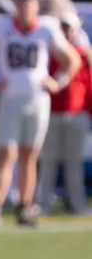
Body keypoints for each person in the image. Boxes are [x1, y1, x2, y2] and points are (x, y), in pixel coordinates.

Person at [0, 0, 80, 227]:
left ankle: (25, 206)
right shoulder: (2, 27)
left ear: (36, 6)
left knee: (30, 155)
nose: (24, 7)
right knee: (6, 154)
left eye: (28, 2)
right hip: (10, 98)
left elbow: (72, 60)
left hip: (37, 99)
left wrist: (58, 83)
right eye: (20, 2)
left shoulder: (47, 28)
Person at [37, 14, 91, 215]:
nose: (66, 32)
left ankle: (78, 205)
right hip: (50, 115)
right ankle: (42, 205)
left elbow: (88, 87)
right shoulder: (48, 54)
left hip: (77, 116)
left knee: (74, 163)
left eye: (69, 28)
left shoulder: (83, 56)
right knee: (48, 163)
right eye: (63, 28)